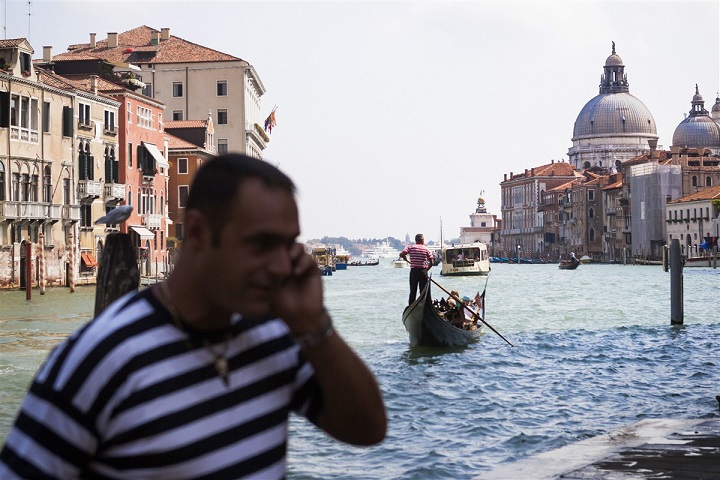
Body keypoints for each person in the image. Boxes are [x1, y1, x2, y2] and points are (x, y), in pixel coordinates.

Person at [0, 154, 387, 479]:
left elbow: (366, 429)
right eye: (262, 244)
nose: (281, 265)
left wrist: (315, 325)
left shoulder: (273, 335)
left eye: (288, 245)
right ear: (199, 232)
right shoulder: (99, 357)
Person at [399, 233, 434, 305]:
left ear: (416, 240)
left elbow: (401, 254)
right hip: (423, 271)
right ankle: (423, 305)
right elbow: (431, 262)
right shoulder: (426, 248)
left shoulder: (410, 247)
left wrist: (407, 260)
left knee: (413, 291)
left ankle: (411, 305)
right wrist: (426, 270)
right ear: (422, 240)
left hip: (414, 271)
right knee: (423, 291)